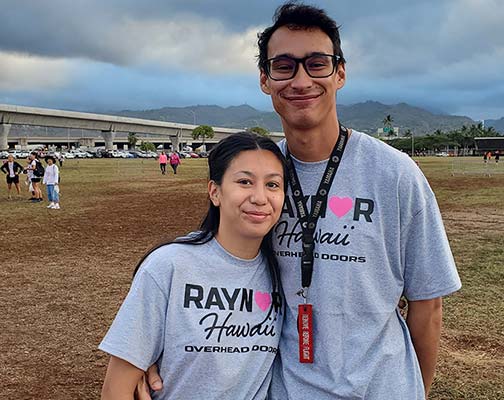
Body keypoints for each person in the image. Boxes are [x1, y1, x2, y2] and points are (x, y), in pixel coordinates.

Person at [141, 3, 460, 399]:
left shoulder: (396, 174)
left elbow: (427, 307)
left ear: (340, 73)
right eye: (284, 65)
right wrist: (150, 349)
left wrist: (416, 391)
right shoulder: (261, 177)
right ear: (265, 79)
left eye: (317, 63)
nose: (301, 79)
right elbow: (214, 265)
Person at [99, 132, 286, 400]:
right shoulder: (170, 265)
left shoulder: (284, 272)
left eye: (272, 185)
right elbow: (115, 390)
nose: (259, 197)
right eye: (245, 182)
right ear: (215, 192)